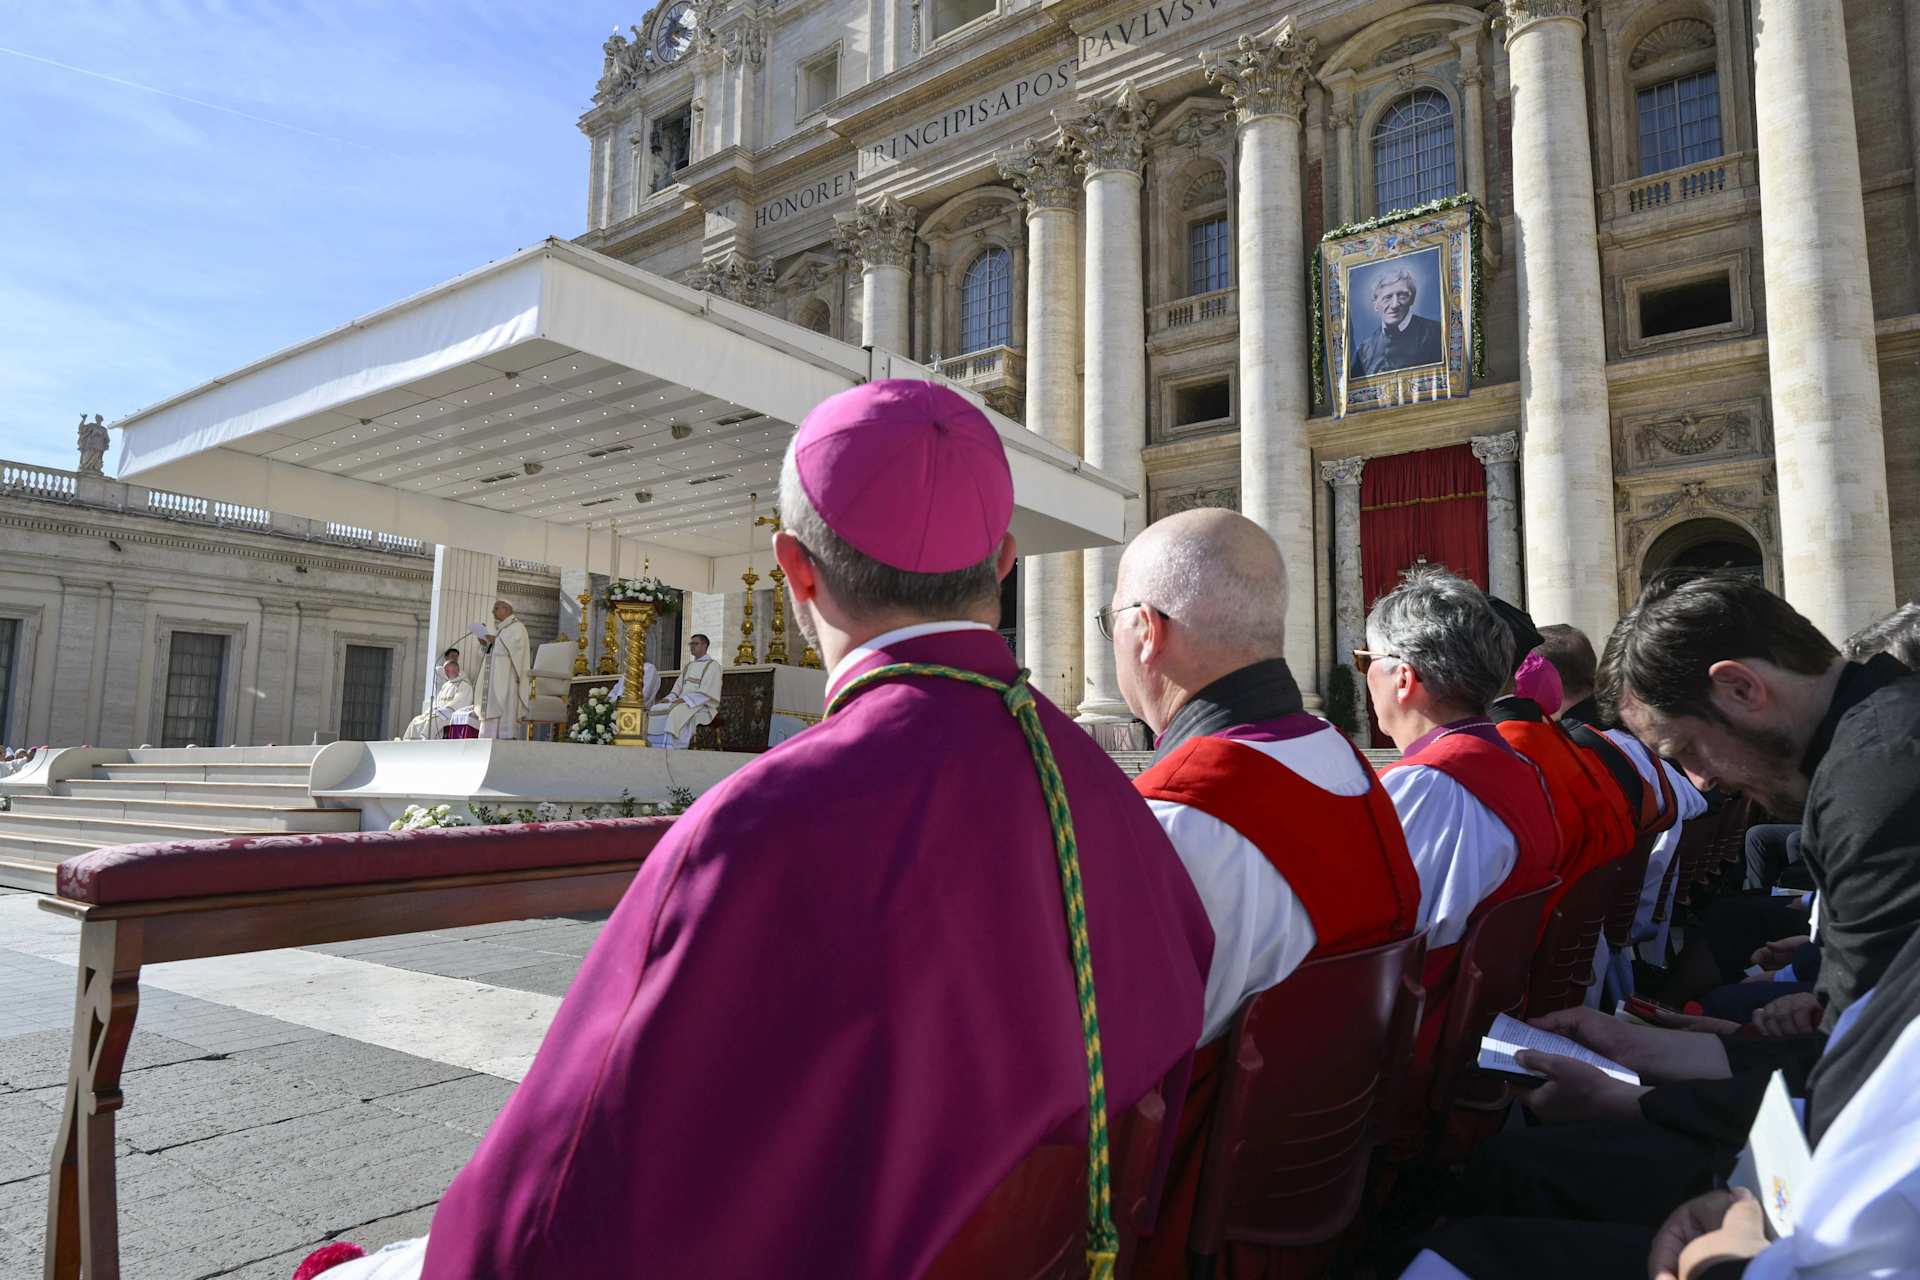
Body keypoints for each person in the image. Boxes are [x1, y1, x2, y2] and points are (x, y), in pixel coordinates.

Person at [307, 379, 1213, 1279]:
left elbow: (551, 1206)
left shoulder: (757, 826)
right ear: (1005, 561)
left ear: (795, 571)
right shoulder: (1110, 798)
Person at [1109, 508, 1420, 1279]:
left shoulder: (1176, 819)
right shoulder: (1351, 765)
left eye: (1109, 618)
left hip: (1175, 1231)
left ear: (1147, 630)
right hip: (1317, 1207)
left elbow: (1094, 1080)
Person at [1363, 569, 1556, 1098]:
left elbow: (1369, 948)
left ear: (1403, 677)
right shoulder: (1518, 767)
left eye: (1368, 662)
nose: (1366, 678)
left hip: (1404, 1059)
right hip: (1467, 1039)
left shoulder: (1428, 787)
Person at [1349, 265, 1444, 378]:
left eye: (1402, 296)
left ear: (1412, 299)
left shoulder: (1437, 334)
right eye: (1387, 297)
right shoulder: (1364, 351)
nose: (1394, 305)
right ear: (1376, 305)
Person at [647, 633, 720, 747]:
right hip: (683, 702)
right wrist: (668, 699)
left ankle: (673, 746)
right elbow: (677, 688)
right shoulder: (688, 666)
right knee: (656, 708)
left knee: (675, 712)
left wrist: (684, 700)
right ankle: (655, 745)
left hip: (701, 705)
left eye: (695, 644)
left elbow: (707, 692)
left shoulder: (713, 666)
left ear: (705, 645)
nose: (692, 647)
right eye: (691, 644)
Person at [472, 601, 530, 740]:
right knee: (492, 703)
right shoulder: (503, 629)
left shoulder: (518, 627)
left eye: (496, 608)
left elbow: (515, 650)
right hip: (494, 674)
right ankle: (488, 735)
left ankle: (505, 735)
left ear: (506, 609)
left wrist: (494, 640)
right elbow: (494, 651)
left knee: (503, 703)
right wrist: (486, 643)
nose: (493, 612)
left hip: (508, 675)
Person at [400, 654, 476, 741]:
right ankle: (410, 741)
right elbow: (437, 701)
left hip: (451, 714)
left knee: (432, 721)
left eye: (447, 670)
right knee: (417, 720)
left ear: (456, 670)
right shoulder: (446, 685)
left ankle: (426, 741)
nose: (445, 673)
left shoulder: (464, 685)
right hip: (440, 712)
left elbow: (461, 701)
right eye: (445, 670)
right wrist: (432, 710)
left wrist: (444, 710)